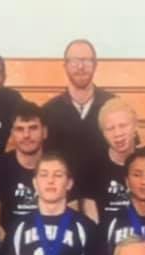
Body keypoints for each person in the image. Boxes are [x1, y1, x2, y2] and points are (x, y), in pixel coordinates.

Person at [42, 39, 115, 180]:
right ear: (65, 66)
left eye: (87, 60)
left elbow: (130, 154)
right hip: (63, 195)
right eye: (74, 61)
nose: (80, 67)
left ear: (95, 65)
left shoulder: (114, 106)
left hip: (105, 194)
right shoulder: (48, 111)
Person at [0, 101, 48, 239]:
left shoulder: (58, 167)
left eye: (33, 128)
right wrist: (12, 250)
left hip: (53, 247)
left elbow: (70, 216)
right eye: (19, 129)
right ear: (12, 134)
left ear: (45, 132)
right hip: (9, 251)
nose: (26, 135)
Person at [80, 98, 138, 225]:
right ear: (103, 134)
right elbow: (91, 217)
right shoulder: (92, 167)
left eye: (123, 126)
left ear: (135, 126)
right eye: (110, 129)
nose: (118, 133)